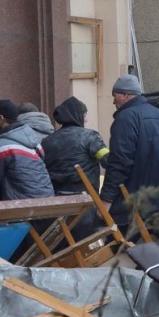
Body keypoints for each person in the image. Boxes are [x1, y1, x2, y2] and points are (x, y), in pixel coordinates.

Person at [100, 74, 159, 237]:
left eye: (114, 96)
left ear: (124, 95)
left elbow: (119, 162)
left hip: (139, 205)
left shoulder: (125, 118)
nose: (113, 102)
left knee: (121, 252)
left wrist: (106, 199)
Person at [42, 96, 110, 240]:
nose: (85, 120)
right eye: (84, 116)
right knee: (85, 244)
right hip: (85, 203)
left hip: (57, 203)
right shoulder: (90, 137)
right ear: (78, 115)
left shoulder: (47, 141)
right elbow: (108, 161)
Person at [0, 99, 55, 201]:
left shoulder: (1, 147)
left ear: (0, 118)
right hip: (48, 204)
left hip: (20, 210)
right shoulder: (35, 144)